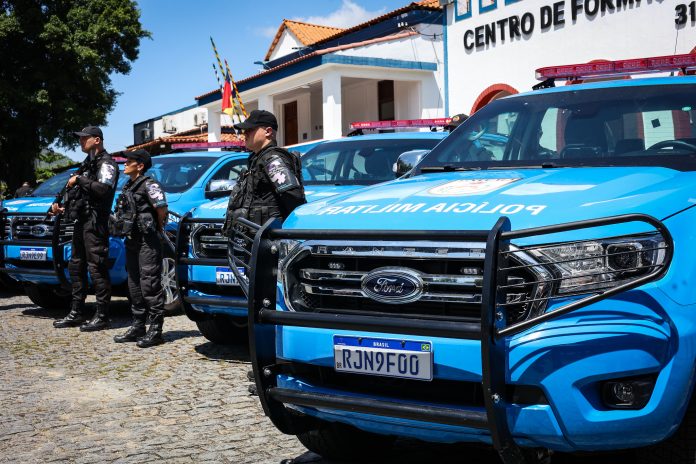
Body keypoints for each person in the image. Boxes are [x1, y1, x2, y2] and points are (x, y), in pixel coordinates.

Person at [52, 126, 118, 331]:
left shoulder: (107, 163)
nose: (81, 142)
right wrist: (59, 206)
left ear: (97, 140)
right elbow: (76, 192)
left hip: (96, 222)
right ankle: (76, 312)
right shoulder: (87, 164)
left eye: (84, 138)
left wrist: (80, 179)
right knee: (76, 266)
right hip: (81, 221)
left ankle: (103, 316)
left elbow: (104, 190)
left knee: (96, 267)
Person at [112, 149, 169, 348]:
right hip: (132, 239)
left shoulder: (150, 184)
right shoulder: (128, 185)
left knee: (149, 283)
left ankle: (155, 330)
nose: (125, 164)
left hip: (148, 240)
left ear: (140, 165)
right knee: (133, 283)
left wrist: (158, 226)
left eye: (129, 161)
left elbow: (161, 208)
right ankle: (138, 325)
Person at [223, 109, 306, 235]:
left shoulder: (272, 159)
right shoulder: (257, 158)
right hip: (254, 237)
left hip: (268, 240)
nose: (244, 134)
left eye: (250, 130)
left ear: (268, 132)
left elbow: (294, 198)